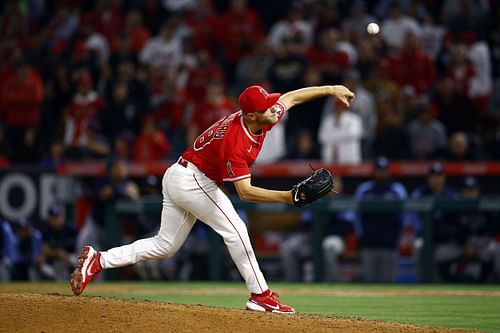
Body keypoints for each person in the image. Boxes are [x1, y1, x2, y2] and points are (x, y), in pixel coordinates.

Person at [71, 84, 355, 314]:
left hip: (180, 174)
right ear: (251, 115)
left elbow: (292, 97)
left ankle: (99, 259)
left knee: (165, 245)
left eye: (271, 103)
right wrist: (289, 197)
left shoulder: (261, 115)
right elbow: (244, 191)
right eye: (267, 106)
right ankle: (261, 295)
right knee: (236, 230)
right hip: (191, 179)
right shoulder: (236, 140)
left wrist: (331, 89)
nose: (274, 108)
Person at [353, 157, 408, 283]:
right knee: (369, 283)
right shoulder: (364, 189)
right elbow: (356, 216)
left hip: (390, 245)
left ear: (388, 171)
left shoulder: (397, 189)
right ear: (374, 171)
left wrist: (398, 235)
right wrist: (361, 235)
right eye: (379, 170)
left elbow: (405, 215)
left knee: (389, 284)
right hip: (369, 244)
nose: (381, 173)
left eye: (384, 170)